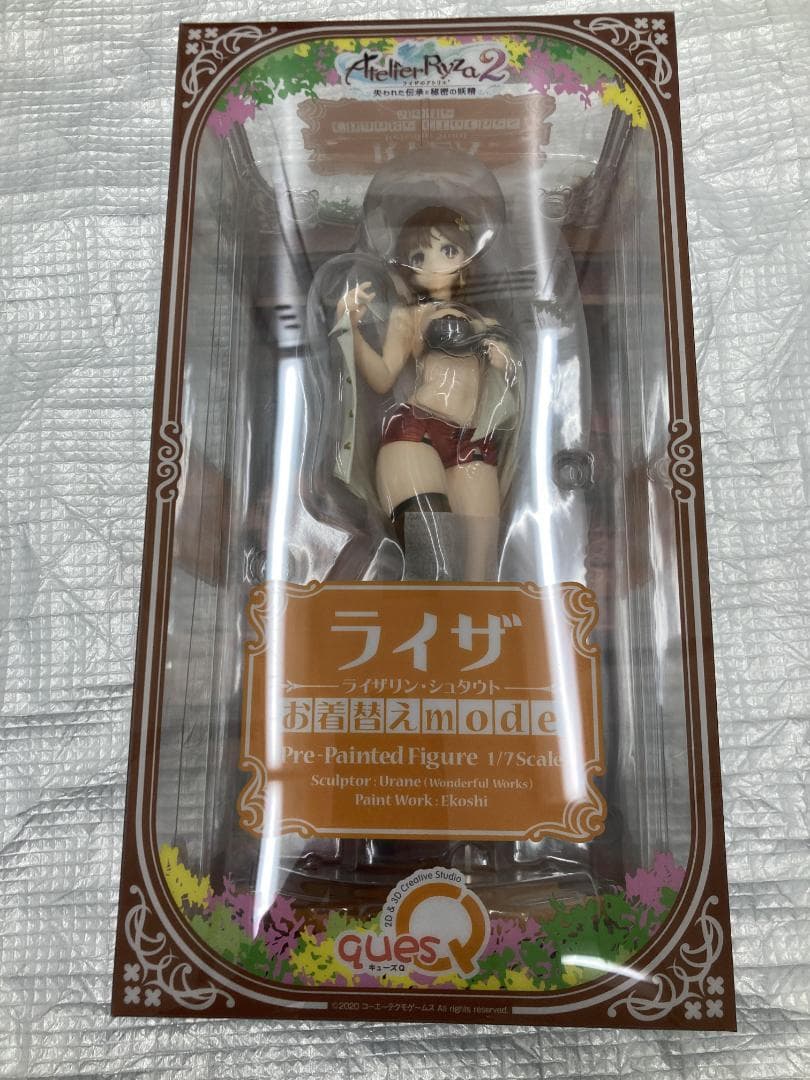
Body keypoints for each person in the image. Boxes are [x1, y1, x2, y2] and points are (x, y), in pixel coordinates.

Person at [335, 206, 519, 580]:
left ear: (467, 257)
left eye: (447, 250)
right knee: (433, 562)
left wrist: (502, 356)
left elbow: (511, 377)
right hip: (416, 432)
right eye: (419, 257)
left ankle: (462, 620)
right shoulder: (410, 316)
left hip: (472, 441)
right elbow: (383, 378)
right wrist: (349, 329)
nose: (433, 265)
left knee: (480, 572)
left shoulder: (488, 323)